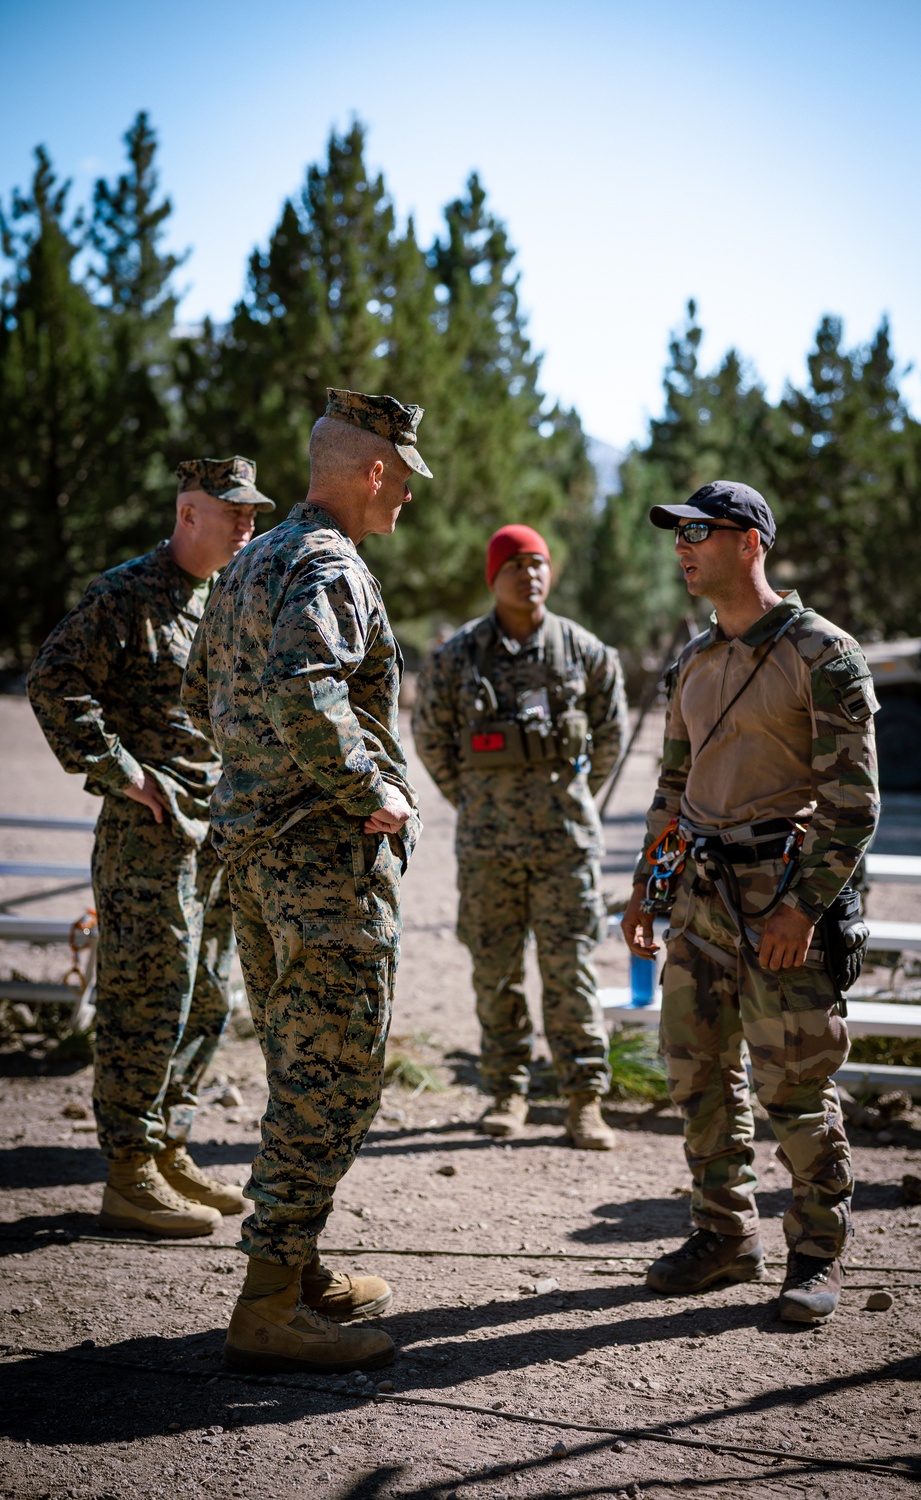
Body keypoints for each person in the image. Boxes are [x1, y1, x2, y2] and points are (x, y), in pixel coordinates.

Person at [182, 388, 427, 1375]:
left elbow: (206, 690)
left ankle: (299, 1257)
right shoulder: (329, 563)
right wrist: (372, 789)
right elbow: (303, 686)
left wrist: (261, 786)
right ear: (373, 472)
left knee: (300, 1064)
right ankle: (269, 1302)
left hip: (253, 858)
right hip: (322, 866)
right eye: (404, 480)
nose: (407, 499)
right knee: (335, 1076)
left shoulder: (250, 561)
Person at [620, 481, 879, 1325]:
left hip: (783, 904)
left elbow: (855, 807)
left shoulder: (823, 653)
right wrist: (646, 893)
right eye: (677, 533)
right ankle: (725, 1236)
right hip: (697, 897)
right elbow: (671, 788)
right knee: (697, 1076)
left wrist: (801, 912)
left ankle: (815, 1253)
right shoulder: (692, 662)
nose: (683, 546)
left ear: (751, 542)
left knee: (796, 1086)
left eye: (700, 530)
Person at [27, 457, 275, 1237]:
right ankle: (128, 1169)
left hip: (217, 830)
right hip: (149, 833)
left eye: (252, 513)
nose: (247, 526)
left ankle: (168, 1143)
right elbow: (54, 681)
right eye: (231, 513)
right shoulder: (126, 592)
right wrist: (125, 773)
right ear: (187, 512)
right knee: (148, 994)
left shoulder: (228, 597)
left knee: (207, 994)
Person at [413, 524, 627, 1149]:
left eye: (538, 563)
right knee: (495, 973)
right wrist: (473, 800)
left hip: (566, 848)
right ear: (493, 576)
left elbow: (609, 738)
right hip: (487, 851)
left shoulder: (585, 652)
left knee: (571, 973)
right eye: (515, 564)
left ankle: (584, 1099)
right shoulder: (457, 658)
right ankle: (506, 1091)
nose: (529, 574)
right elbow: (431, 738)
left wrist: (571, 797)